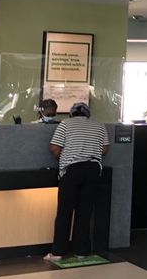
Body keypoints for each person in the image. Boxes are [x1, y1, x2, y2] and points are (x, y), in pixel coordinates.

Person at [44, 103, 109, 261]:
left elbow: (54, 148)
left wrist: (65, 157)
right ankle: (81, 251)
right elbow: (105, 149)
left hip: (72, 169)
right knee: (85, 211)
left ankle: (58, 252)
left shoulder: (65, 124)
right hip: (93, 169)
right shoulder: (99, 125)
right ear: (88, 114)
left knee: (65, 212)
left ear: (71, 114)